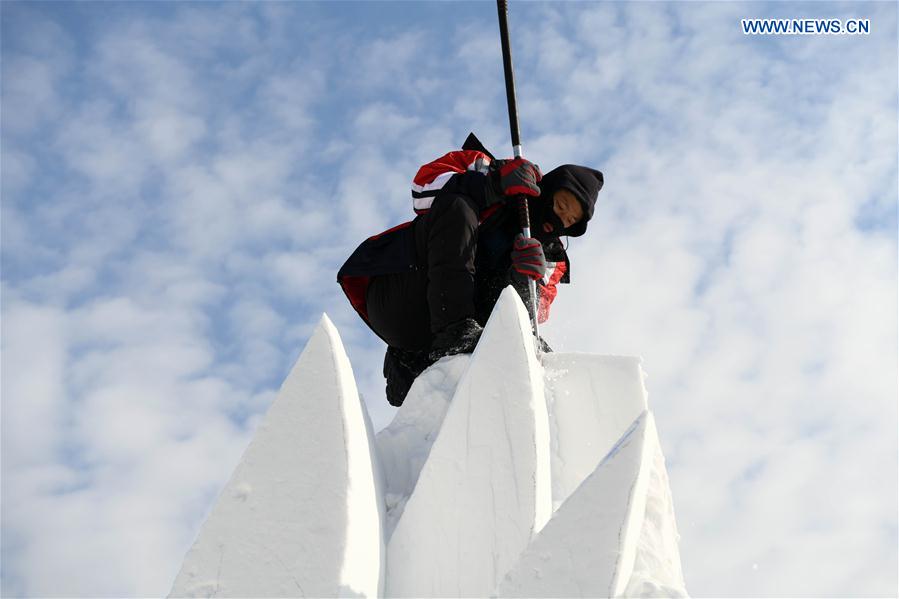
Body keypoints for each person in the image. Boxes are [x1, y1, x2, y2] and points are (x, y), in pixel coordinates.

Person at [338, 133, 603, 406]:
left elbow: (535, 316)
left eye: (570, 221)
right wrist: (493, 184)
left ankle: (435, 367)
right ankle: (451, 332)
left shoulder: (551, 259)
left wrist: (525, 280)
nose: (559, 220)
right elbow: (421, 192)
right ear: (547, 189)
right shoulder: (487, 167)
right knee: (458, 203)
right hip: (403, 294)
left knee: (530, 340)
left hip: (438, 338)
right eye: (561, 206)